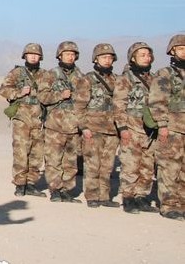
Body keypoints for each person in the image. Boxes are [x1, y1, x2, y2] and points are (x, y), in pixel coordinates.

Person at [113, 42, 160, 214]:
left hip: (149, 130)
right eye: (142, 55)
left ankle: (141, 197)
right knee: (130, 166)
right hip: (131, 128)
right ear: (133, 57)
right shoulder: (125, 79)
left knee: (147, 166)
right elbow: (118, 105)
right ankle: (128, 198)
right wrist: (123, 128)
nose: (146, 57)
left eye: (148, 55)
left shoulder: (154, 79)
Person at [0, 43, 47, 197]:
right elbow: (3, 89)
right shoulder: (17, 73)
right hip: (22, 117)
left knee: (37, 152)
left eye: (36, 54)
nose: (33, 57)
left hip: (38, 118)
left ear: (40, 57)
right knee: (21, 151)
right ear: (25, 56)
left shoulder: (45, 75)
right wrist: (19, 92)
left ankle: (31, 183)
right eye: (30, 54)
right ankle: (20, 184)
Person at [38, 41, 84, 203]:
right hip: (54, 126)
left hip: (73, 126)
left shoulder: (81, 77)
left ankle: (67, 190)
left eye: (73, 54)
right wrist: (59, 95)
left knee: (70, 161)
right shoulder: (51, 75)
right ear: (60, 56)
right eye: (67, 54)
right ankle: (55, 189)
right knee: (53, 160)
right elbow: (42, 97)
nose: (70, 57)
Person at [75, 43, 120, 208]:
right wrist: (84, 127)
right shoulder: (87, 79)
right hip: (92, 128)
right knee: (93, 164)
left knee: (108, 166)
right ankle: (92, 196)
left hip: (112, 130)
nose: (107, 60)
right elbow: (79, 106)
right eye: (103, 57)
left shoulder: (117, 80)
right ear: (96, 59)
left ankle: (104, 196)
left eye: (110, 57)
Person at [147, 34, 185, 221]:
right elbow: (156, 101)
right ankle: (169, 205)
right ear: (172, 51)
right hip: (172, 129)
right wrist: (162, 125)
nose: (184, 52)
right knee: (170, 167)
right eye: (181, 48)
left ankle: (183, 204)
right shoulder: (165, 74)